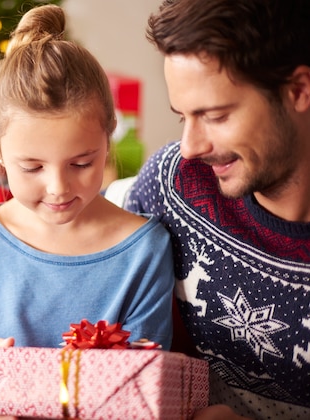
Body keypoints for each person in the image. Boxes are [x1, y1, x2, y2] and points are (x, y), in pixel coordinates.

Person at [0, 4, 175, 420]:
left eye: (82, 163)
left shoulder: (144, 249)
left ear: (109, 133)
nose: (59, 188)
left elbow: (145, 391)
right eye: (32, 167)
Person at [124, 0, 310, 418]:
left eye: (215, 115)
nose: (191, 146)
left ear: (299, 90)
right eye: (182, 117)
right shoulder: (173, 183)